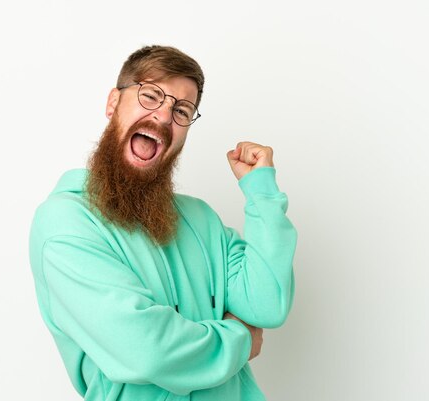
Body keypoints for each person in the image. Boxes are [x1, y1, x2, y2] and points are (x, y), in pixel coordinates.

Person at [29, 45, 297, 401]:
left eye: (182, 110)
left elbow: (267, 305)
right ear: (113, 103)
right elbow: (145, 351)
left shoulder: (201, 219)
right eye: (151, 95)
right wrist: (240, 338)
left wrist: (261, 194)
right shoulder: (65, 222)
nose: (164, 116)